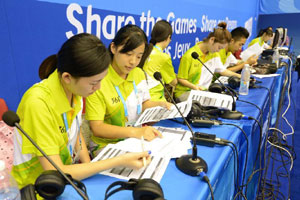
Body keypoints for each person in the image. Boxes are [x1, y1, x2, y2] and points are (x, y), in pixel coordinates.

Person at [11, 33, 151, 190]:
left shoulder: (74, 90)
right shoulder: (37, 103)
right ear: (67, 77)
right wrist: (119, 161)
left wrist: (89, 167)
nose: (97, 88)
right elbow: (55, 172)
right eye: (94, 83)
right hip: (37, 187)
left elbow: (75, 134)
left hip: (67, 179)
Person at [85, 25, 172, 156]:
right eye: (128, 54)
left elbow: (143, 104)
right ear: (113, 48)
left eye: (139, 56)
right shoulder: (99, 79)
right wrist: (134, 132)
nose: (133, 61)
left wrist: (161, 105)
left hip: (135, 140)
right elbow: (97, 128)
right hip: (107, 145)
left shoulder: (138, 73)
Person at [174, 22, 241, 102]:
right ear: (212, 40)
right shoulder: (190, 55)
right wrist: (194, 87)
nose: (218, 50)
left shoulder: (214, 54)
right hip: (185, 92)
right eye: (219, 47)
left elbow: (222, 71)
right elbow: (181, 79)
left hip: (203, 92)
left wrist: (240, 76)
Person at [141, 20, 177, 102]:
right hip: (156, 99)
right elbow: (173, 82)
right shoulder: (164, 57)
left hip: (141, 97)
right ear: (168, 37)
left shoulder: (144, 50)